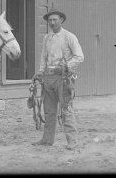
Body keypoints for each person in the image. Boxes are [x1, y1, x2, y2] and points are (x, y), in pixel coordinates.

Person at [32, 10, 84, 150]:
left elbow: (79, 56)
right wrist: (41, 72)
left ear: (61, 20)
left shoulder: (69, 37)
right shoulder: (47, 38)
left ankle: (73, 141)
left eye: (55, 20)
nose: (52, 23)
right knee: (49, 111)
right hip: (48, 78)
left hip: (63, 78)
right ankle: (47, 139)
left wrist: (66, 65)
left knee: (66, 109)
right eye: (50, 21)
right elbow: (43, 57)